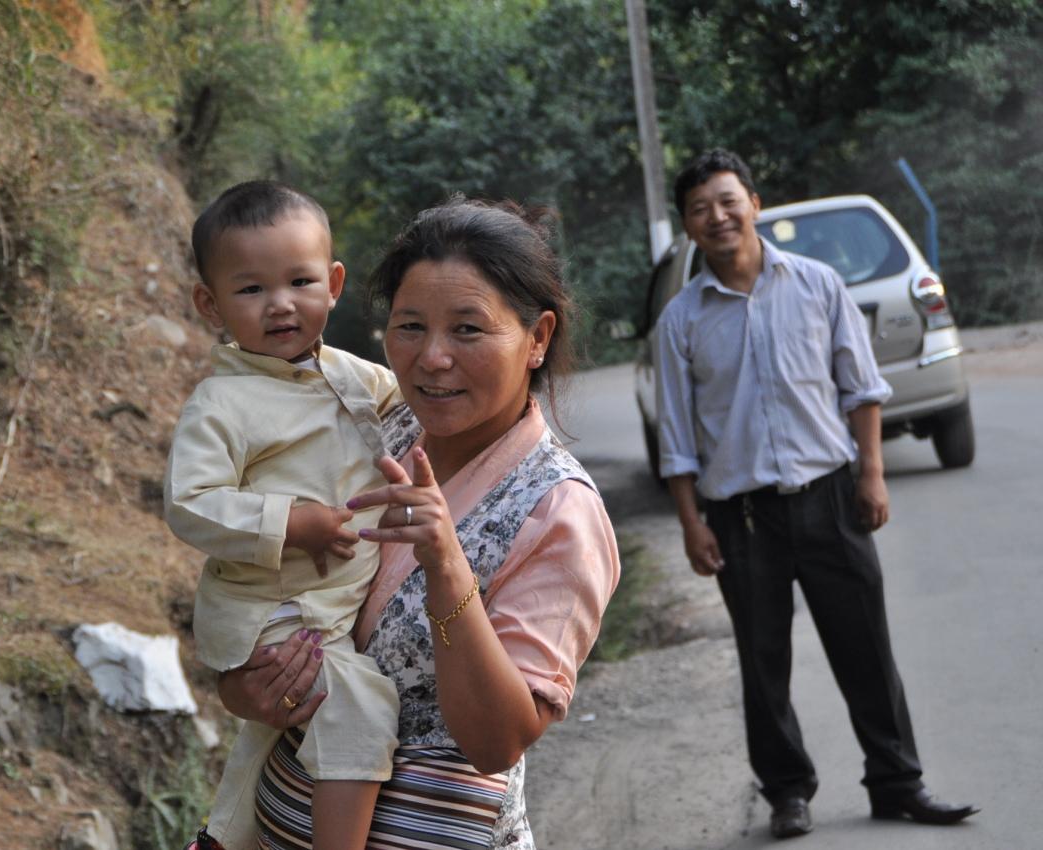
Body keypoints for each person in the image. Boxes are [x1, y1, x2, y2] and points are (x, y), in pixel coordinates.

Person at [201, 197, 621, 849]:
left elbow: (497, 742)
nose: (432, 358)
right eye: (410, 326)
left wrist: (447, 567)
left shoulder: (556, 510)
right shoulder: (372, 426)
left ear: (537, 338)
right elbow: (259, 582)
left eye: (468, 330)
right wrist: (245, 686)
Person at [654, 149, 979, 839]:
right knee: (763, 661)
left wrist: (872, 474)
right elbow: (677, 437)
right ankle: (787, 792)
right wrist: (690, 522)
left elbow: (861, 389)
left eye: (727, 200)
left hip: (830, 498)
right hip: (740, 516)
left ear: (754, 203)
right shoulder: (681, 320)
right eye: (700, 208)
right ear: (687, 225)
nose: (717, 216)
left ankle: (898, 781)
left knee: (866, 648)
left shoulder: (817, 284)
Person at [164, 180, 403, 850]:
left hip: (328, 606)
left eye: (300, 281)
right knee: (358, 708)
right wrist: (291, 523)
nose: (280, 304)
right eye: (251, 289)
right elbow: (190, 503)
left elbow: (416, 411)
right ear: (210, 304)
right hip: (273, 610)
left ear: (333, 283)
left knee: (274, 734)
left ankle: (221, 838)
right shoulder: (222, 404)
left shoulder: (355, 378)